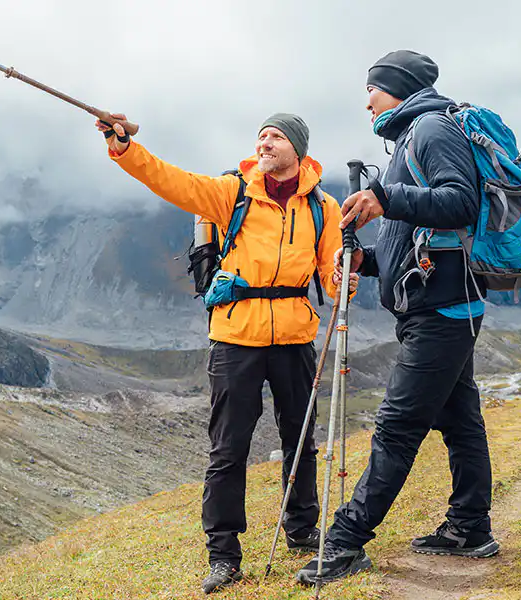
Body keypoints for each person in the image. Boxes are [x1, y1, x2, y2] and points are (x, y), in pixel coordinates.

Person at [97, 113, 359, 594]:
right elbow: (171, 181)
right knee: (228, 447)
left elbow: (328, 273)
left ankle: (302, 529)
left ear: (297, 149)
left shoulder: (323, 206)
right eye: (261, 136)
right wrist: (124, 148)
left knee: (301, 437)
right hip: (236, 336)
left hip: (295, 337)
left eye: (275, 137)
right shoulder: (231, 192)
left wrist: (342, 279)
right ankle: (223, 554)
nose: (265, 143)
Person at [297, 50, 497, 586]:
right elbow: (413, 235)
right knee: (460, 420)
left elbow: (460, 203)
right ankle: (470, 528)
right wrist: (367, 259)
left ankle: (344, 542)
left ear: (400, 87)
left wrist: (385, 197)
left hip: (443, 309)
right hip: (439, 305)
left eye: (373, 90)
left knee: (396, 426)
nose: (367, 102)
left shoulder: (432, 128)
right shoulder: (410, 138)